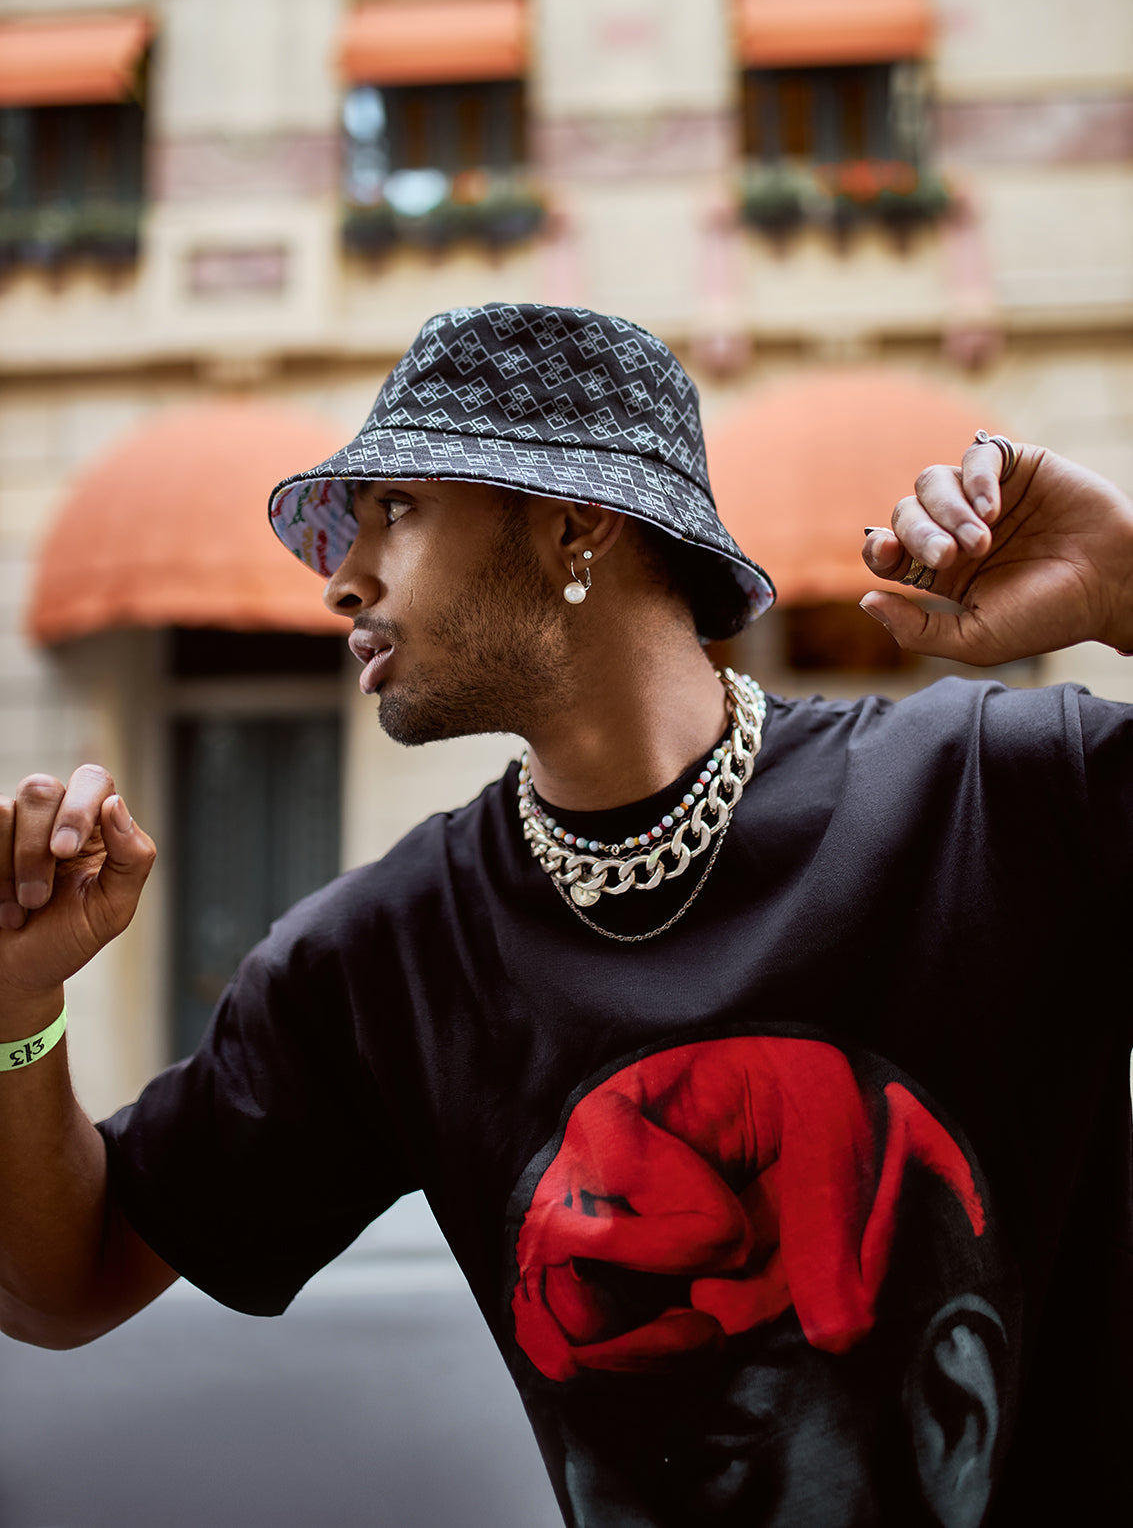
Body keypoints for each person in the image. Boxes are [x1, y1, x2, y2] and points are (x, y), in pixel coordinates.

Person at [0, 302, 1130, 1527]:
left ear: (572, 524)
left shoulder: (1001, 796)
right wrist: (19, 1001)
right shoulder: (385, 956)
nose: (341, 579)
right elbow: (65, 1280)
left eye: (396, 510)